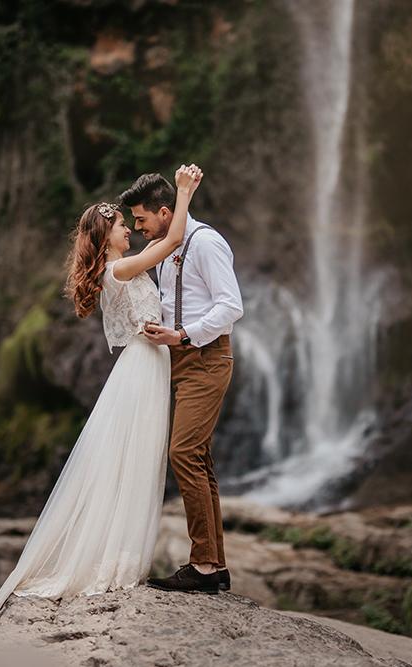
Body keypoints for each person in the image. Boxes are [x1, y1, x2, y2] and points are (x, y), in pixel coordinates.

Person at [0, 164, 203, 633]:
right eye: (123, 225)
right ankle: (114, 562)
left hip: (147, 366)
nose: (130, 228)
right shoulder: (119, 268)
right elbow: (174, 240)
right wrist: (183, 193)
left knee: (135, 462)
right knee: (132, 461)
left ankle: (121, 555)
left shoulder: (115, 268)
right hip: (141, 371)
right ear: (109, 237)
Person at [119, 172, 243, 594]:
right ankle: (215, 565)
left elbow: (231, 306)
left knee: (184, 451)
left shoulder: (206, 243)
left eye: (140, 220)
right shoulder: (163, 246)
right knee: (199, 458)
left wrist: (183, 335)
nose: (137, 229)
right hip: (181, 359)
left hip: (206, 357)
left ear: (165, 212)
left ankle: (204, 564)